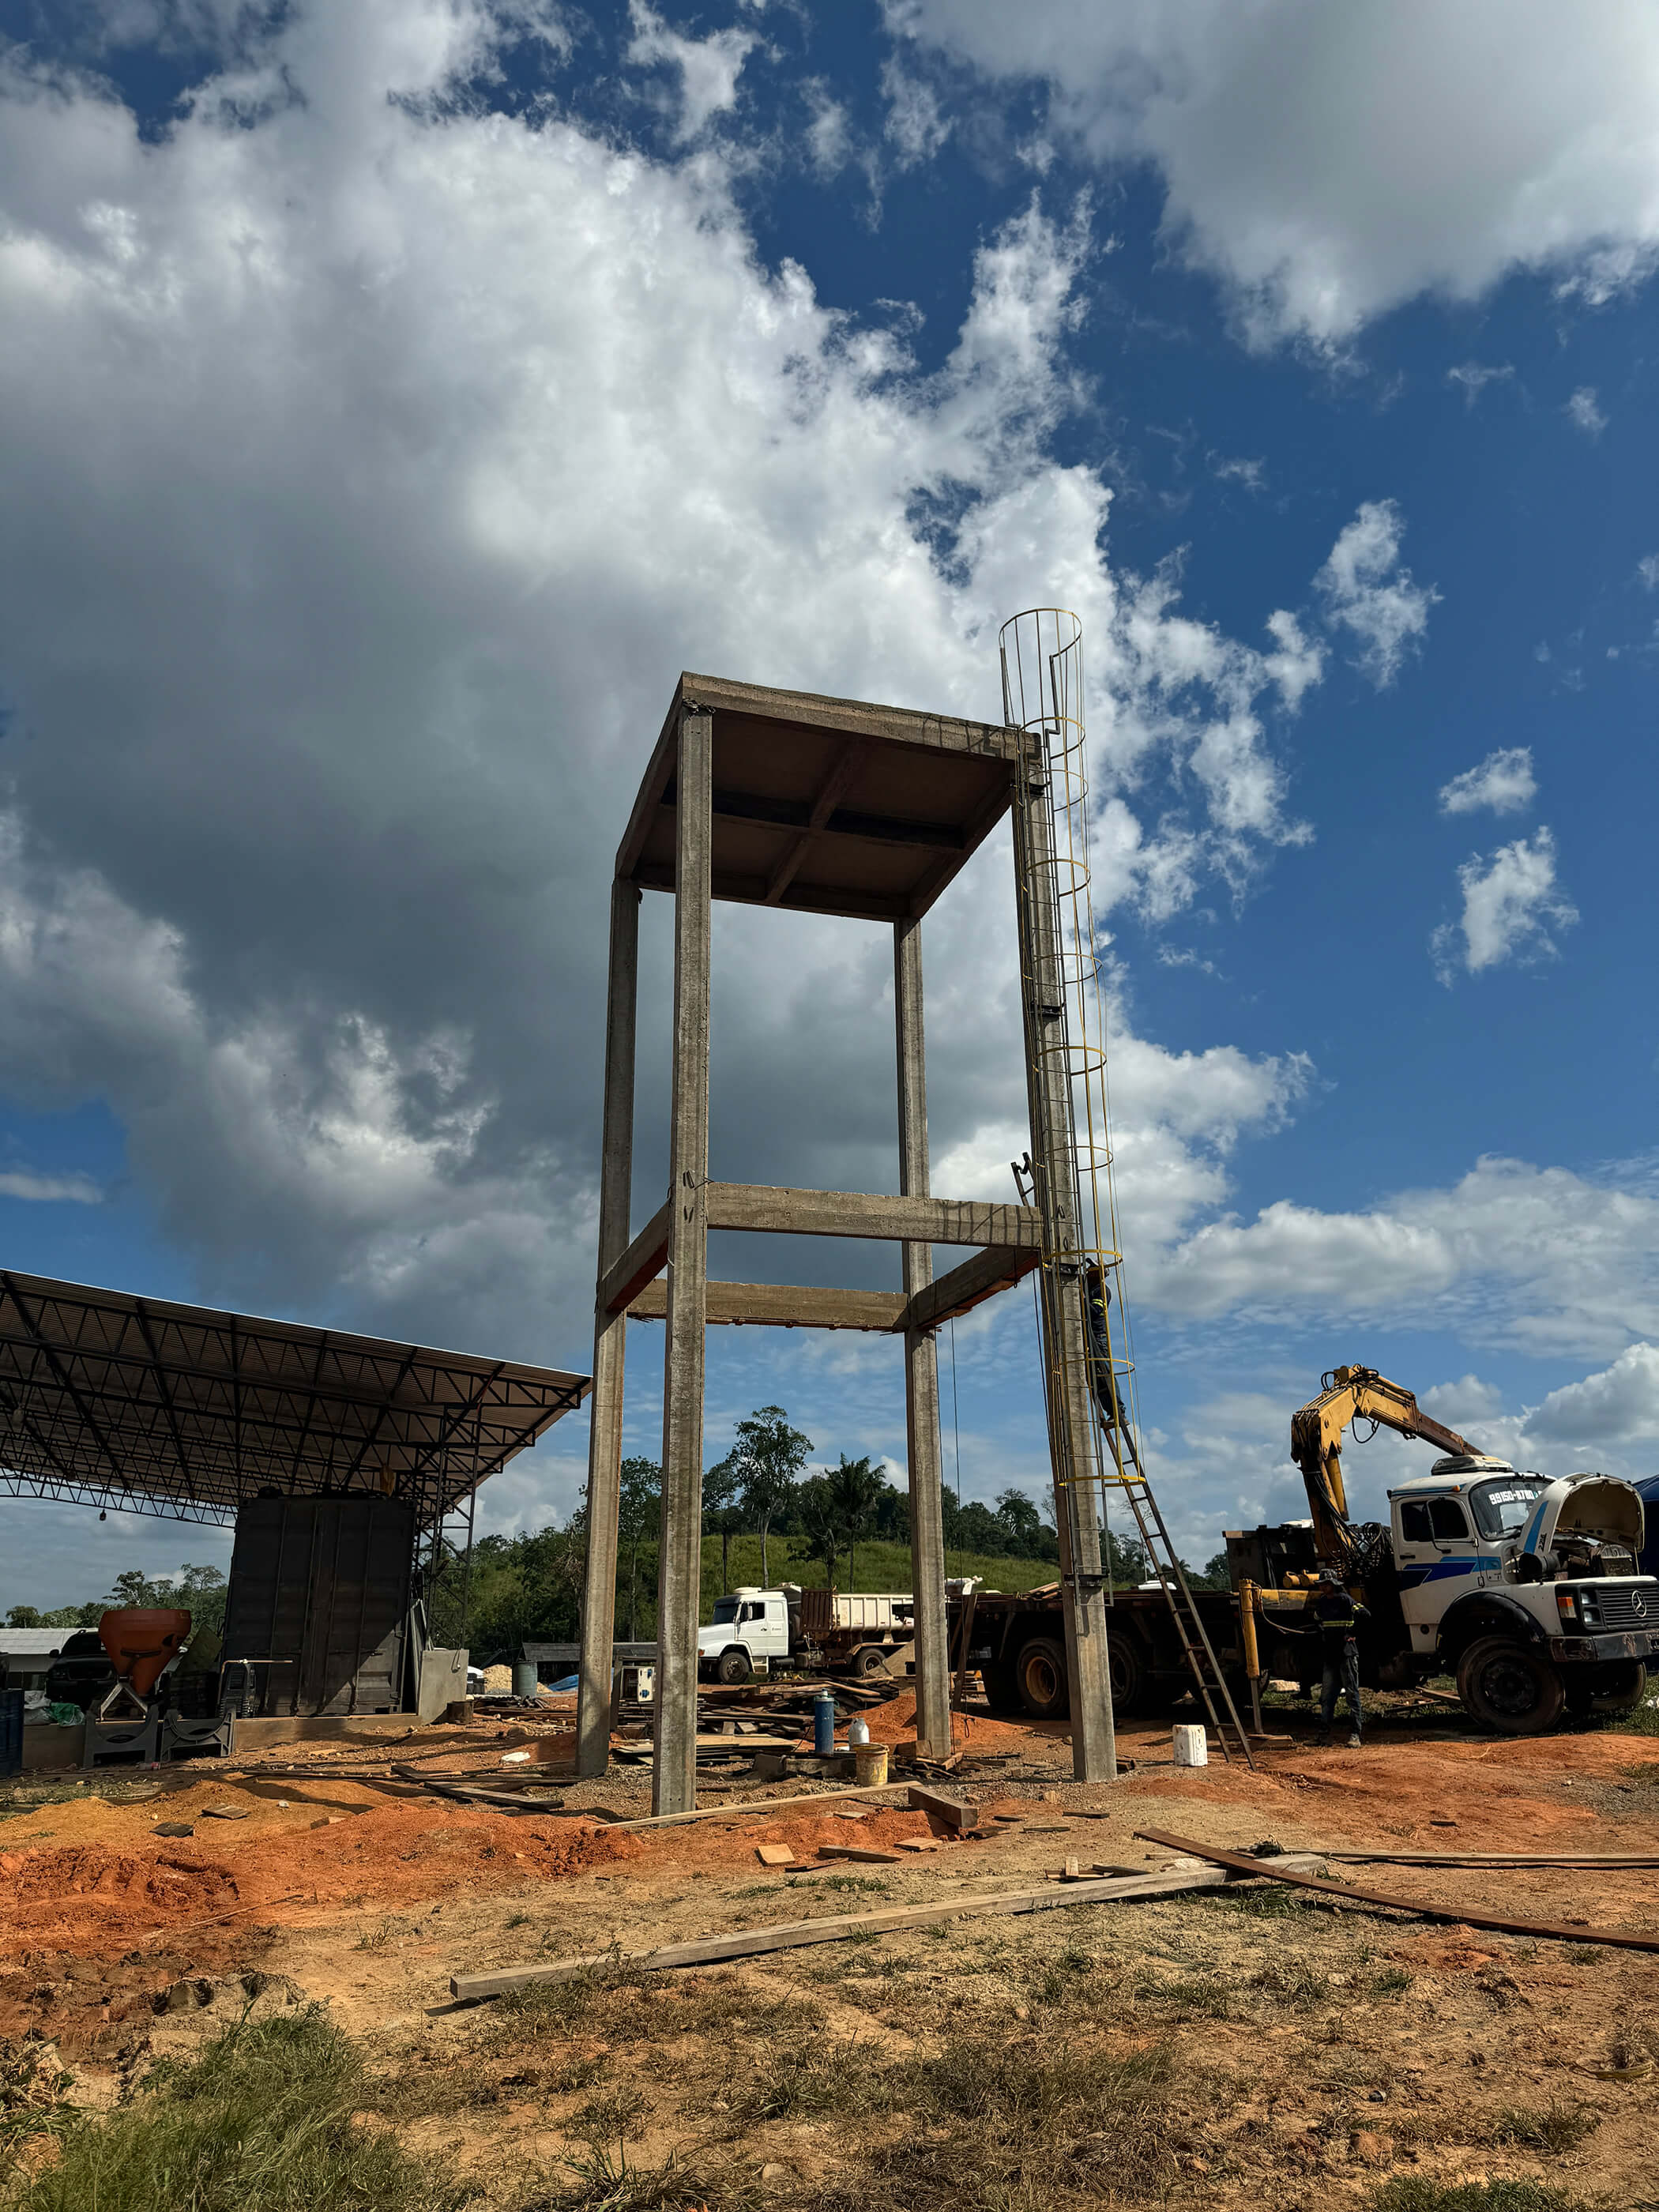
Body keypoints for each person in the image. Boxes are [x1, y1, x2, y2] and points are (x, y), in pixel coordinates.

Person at [1311, 1569, 1368, 1747]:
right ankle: (1323, 1735)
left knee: (1352, 1694)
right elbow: (1317, 1620)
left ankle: (1355, 1735)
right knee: (1327, 1696)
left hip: (1346, 1654)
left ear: (1333, 1585)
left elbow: (1365, 1615)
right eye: (1322, 1584)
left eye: (1326, 1584)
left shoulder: (1345, 1600)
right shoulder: (1321, 1603)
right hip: (1331, 1655)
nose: (1323, 1587)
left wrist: (1352, 1634)